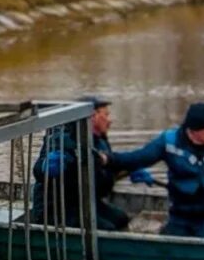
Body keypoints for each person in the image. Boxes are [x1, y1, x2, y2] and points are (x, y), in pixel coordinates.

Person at [106, 102, 204, 239]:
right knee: (173, 245)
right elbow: (138, 158)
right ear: (195, 132)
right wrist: (109, 159)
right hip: (181, 213)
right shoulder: (169, 141)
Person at [31, 95, 154, 231]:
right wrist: (45, 167)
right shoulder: (62, 138)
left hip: (83, 202)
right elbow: (39, 170)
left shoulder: (99, 141)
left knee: (121, 218)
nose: (110, 120)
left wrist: (127, 170)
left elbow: (99, 171)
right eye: (106, 115)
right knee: (107, 228)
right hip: (57, 209)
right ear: (92, 116)